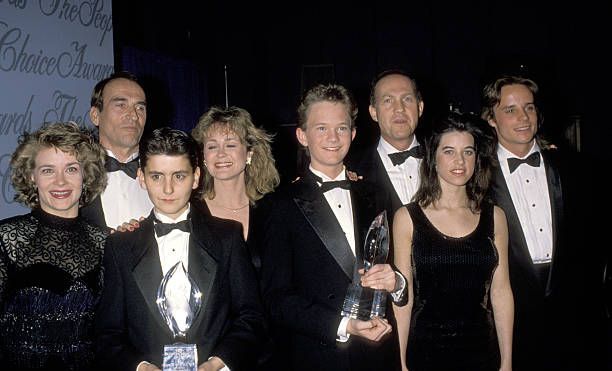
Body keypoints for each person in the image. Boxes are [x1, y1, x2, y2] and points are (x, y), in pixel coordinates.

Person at [95, 127, 265, 371]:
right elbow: (107, 333)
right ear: (142, 178)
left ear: (196, 177)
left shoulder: (227, 237)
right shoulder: (120, 246)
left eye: (179, 176)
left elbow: (251, 316)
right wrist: (141, 367)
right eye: (156, 176)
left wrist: (217, 363)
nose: (167, 189)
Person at [260, 83, 405, 371]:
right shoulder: (280, 204)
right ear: (302, 135)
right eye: (321, 128)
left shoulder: (376, 194)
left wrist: (397, 283)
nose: (333, 138)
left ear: (352, 133)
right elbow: (276, 299)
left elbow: (396, 270)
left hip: (376, 354)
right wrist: (343, 325)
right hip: (318, 354)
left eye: (341, 128)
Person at [481, 75, 606, 370]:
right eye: (510, 110)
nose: (523, 117)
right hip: (511, 328)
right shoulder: (476, 178)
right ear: (491, 118)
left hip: (577, 324)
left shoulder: (577, 170)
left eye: (530, 107)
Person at [393, 112, 513, 371]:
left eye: (468, 152)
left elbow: (501, 292)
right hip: (425, 354)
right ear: (433, 158)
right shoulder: (407, 218)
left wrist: (507, 362)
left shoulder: (496, 217)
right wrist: (400, 362)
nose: (460, 160)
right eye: (449, 151)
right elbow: (404, 297)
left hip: (482, 353)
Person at [0, 122, 107, 370]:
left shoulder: (105, 243)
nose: (61, 181)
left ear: (86, 174)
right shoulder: (7, 238)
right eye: (48, 170)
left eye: (71, 169)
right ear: (31, 176)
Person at [191, 106, 280, 273]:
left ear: (249, 153)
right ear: (203, 156)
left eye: (230, 145)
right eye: (212, 147)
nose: (221, 154)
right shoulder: (191, 212)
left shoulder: (272, 210)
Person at [80, 71, 153, 230]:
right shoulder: (72, 175)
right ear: (95, 115)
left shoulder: (165, 174)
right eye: (121, 105)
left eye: (140, 107)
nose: (133, 115)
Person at [351, 69, 425, 218]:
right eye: (388, 100)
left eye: (407, 99)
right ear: (373, 112)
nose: (399, 109)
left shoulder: (445, 160)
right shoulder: (352, 171)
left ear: (420, 108)